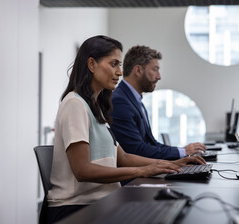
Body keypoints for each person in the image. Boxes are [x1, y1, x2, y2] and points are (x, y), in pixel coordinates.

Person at [47, 36, 205, 223]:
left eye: (119, 65)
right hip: (74, 209)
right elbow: (83, 170)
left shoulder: (96, 107)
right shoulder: (75, 104)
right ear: (91, 64)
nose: (120, 72)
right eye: (114, 64)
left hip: (100, 201)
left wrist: (173, 164)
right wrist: (141, 171)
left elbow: (124, 158)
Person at [110, 45, 206, 160]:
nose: (159, 76)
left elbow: (151, 143)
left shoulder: (134, 99)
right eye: (155, 69)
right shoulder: (120, 101)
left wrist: (182, 151)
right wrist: (182, 152)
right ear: (138, 70)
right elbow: (136, 150)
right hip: (134, 176)